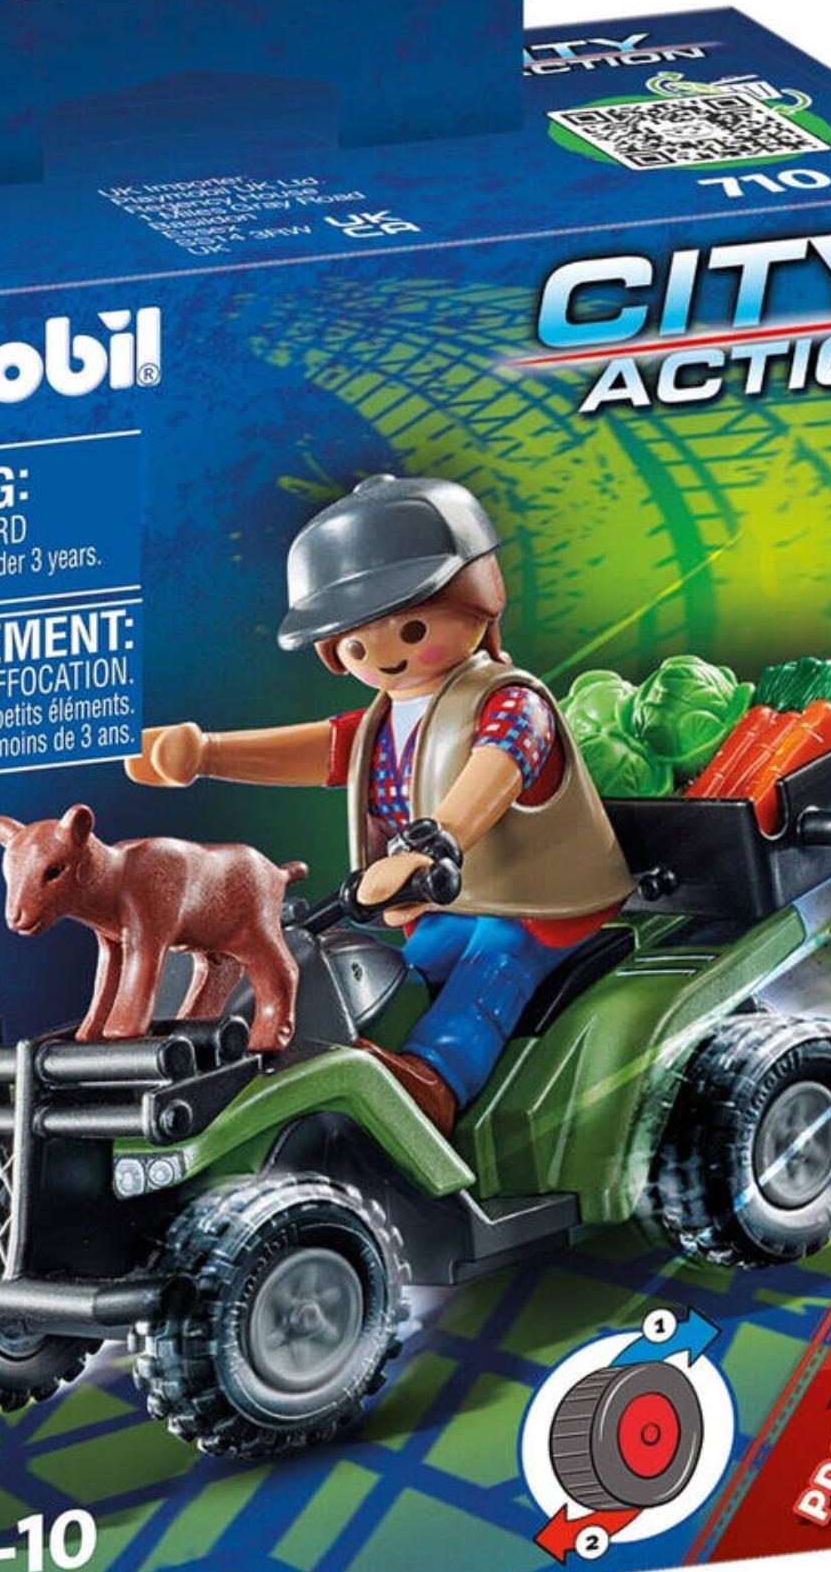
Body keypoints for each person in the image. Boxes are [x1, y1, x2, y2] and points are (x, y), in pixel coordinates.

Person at [127, 475, 634, 1133]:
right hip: (449, 906)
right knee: (407, 971)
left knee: (490, 968)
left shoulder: (512, 702)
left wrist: (433, 843)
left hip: (541, 906)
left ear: (477, 602)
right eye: (359, 645)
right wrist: (205, 753)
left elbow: (497, 769)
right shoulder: (384, 720)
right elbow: (318, 750)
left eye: (413, 628)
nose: (387, 656)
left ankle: (436, 1083)